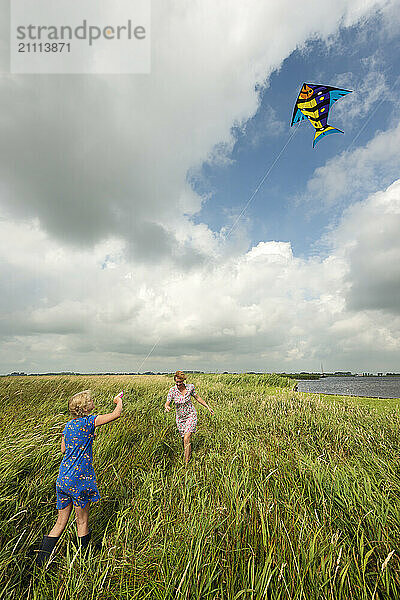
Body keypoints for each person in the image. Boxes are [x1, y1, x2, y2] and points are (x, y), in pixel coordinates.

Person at [35, 389, 123, 567]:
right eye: (90, 401)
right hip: (79, 480)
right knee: (82, 521)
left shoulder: (67, 426)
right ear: (84, 407)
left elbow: (64, 450)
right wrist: (117, 400)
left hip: (63, 479)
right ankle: (83, 560)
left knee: (60, 523)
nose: (93, 403)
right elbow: (117, 414)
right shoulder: (90, 421)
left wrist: (85, 439)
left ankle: (41, 561)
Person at [165, 371, 213, 464]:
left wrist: (207, 407)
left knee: (187, 438)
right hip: (180, 418)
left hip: (191, 415)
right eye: (176, 382)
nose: (178, 384)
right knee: (185, 439)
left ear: (183, 380)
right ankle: (188, 455)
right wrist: (167, 406)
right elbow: (167, 402)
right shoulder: (172, 390)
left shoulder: (190, 387)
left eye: (180, 382)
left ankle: (186, 462)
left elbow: (197, 397)